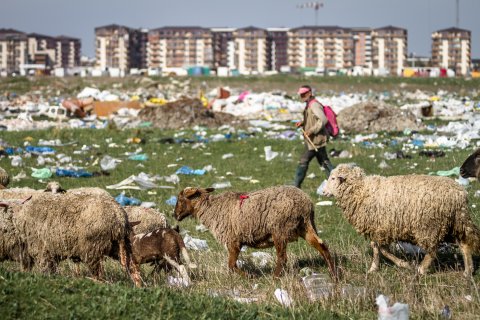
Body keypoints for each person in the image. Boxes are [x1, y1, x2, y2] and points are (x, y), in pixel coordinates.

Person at [293, 85, 334, 188]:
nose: (302, 96)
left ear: (310, 93)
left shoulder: (314, 105)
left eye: (304, 94)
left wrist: (311, 130)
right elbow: (313, 119)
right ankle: (336, 183)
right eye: (301, 94)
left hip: (316, 139)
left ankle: (296, 186)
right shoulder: (309, 104)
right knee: (324, 161)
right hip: (313, 139)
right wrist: (302, 123)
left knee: (304, 160)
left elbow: (323, 120)